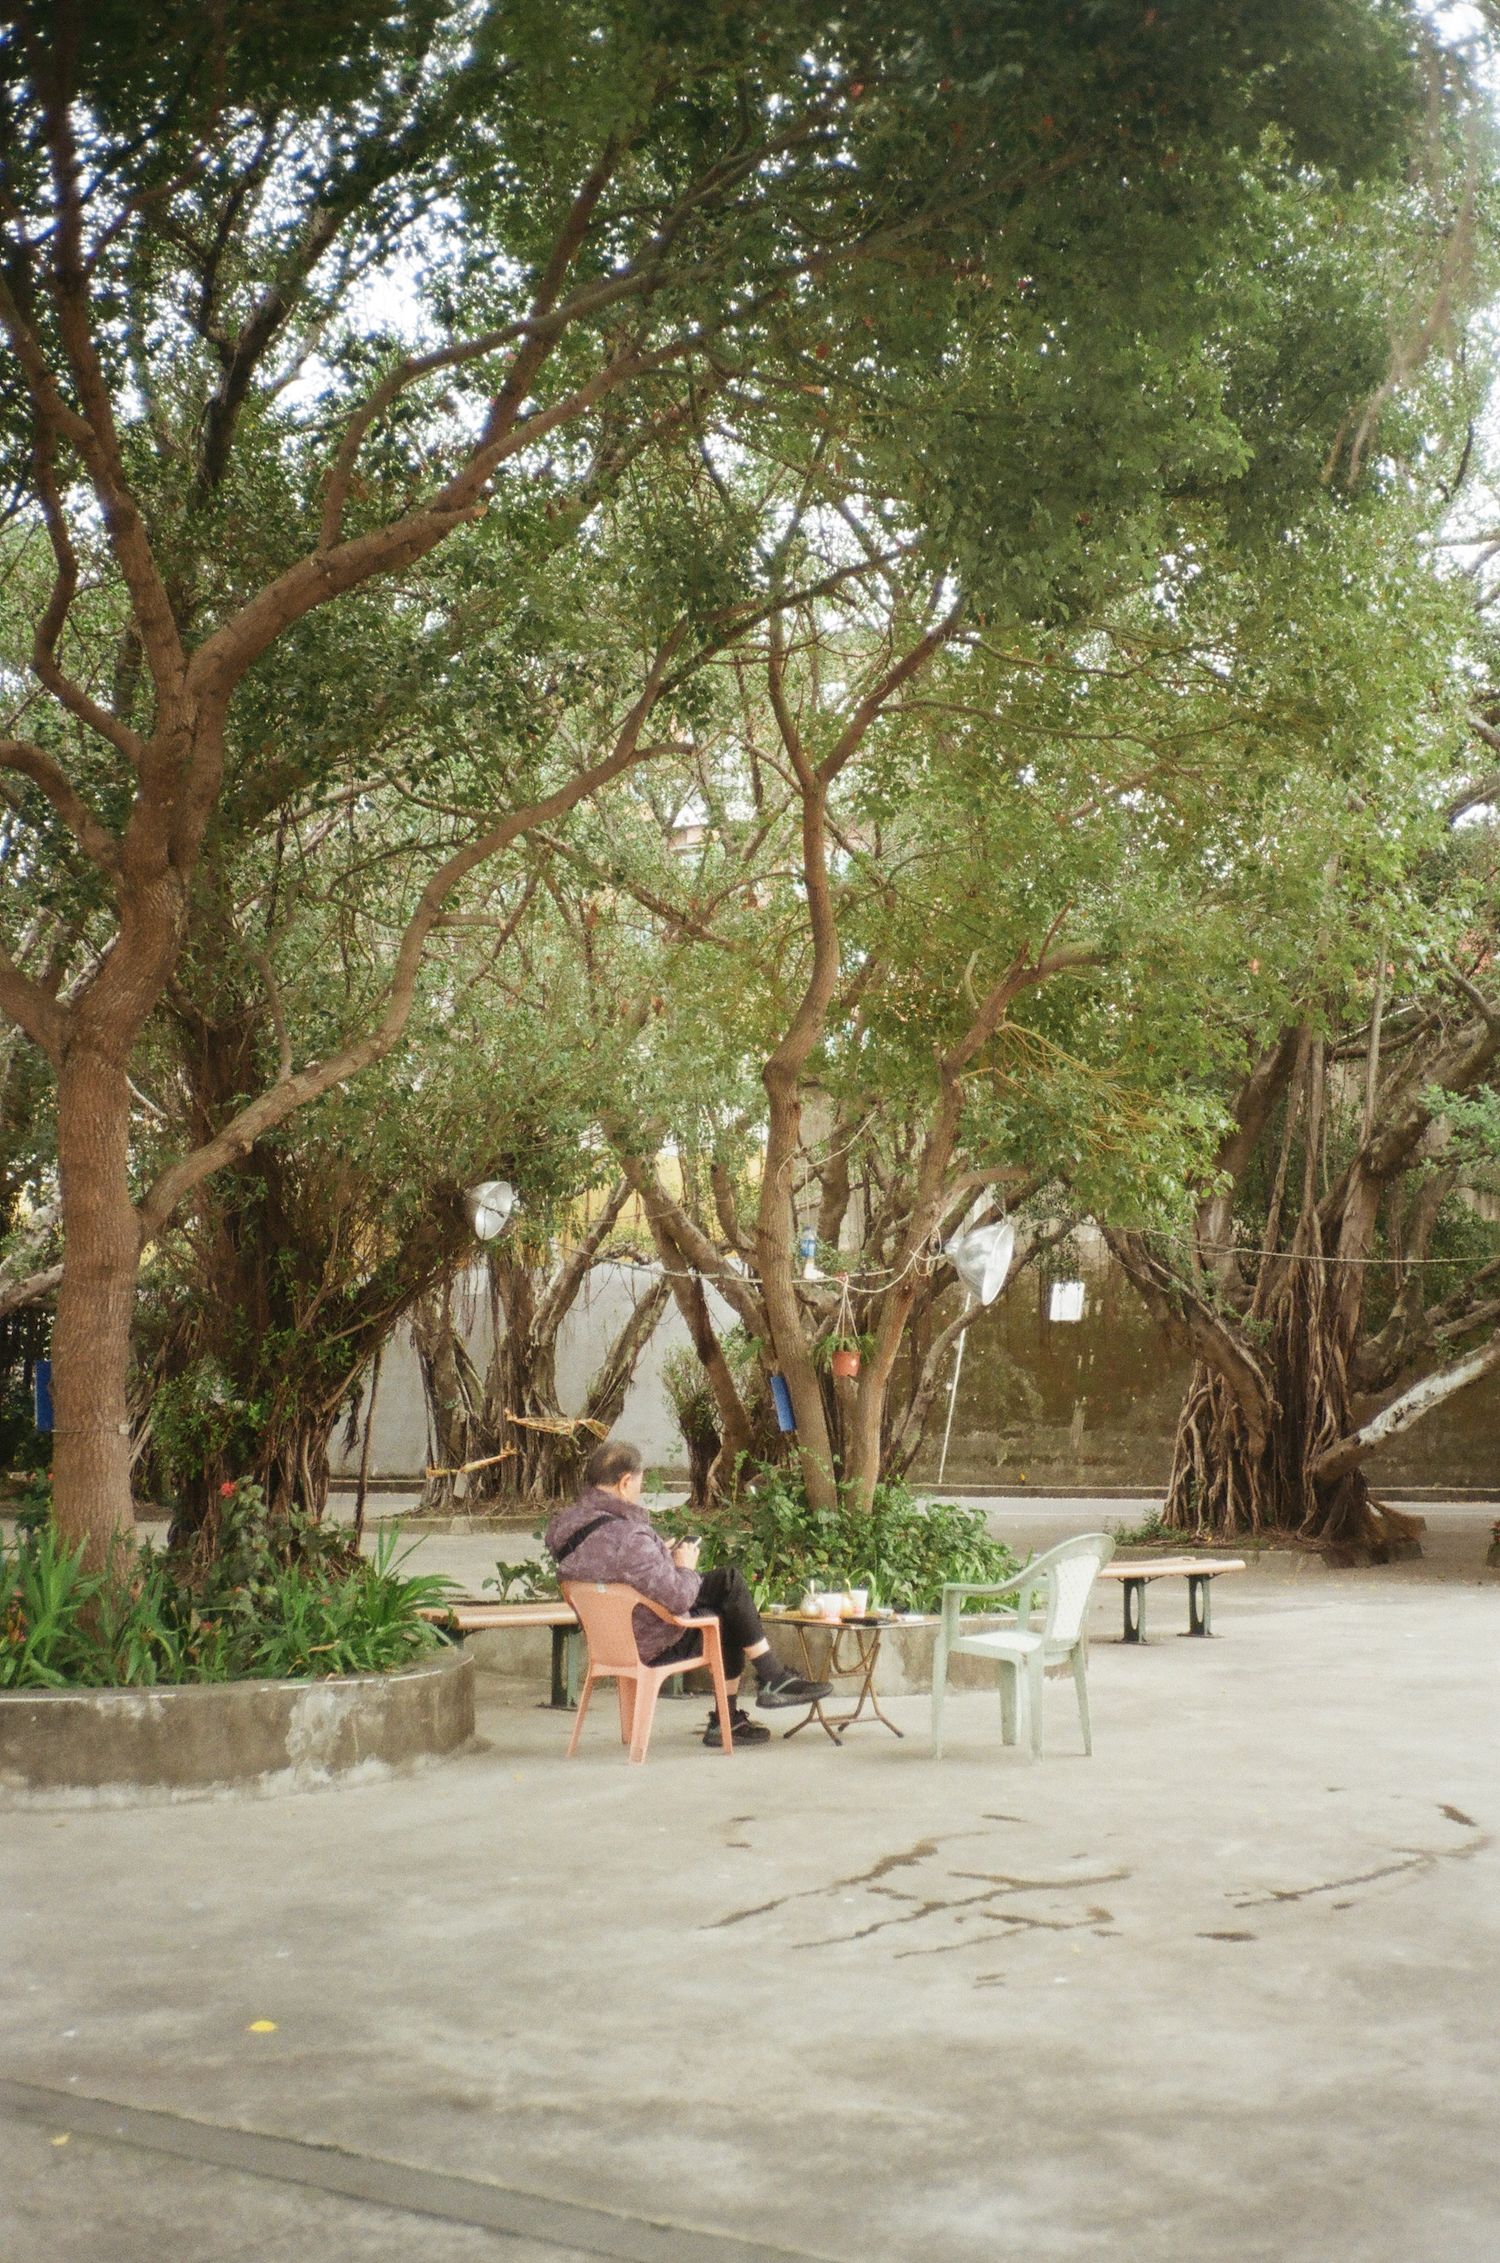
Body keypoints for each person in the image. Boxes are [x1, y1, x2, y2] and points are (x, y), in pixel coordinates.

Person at [544, 1439, 831, 1748]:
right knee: (726, 1609)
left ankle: (757, 1692)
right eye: (639, 1482)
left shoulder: (567, 1529)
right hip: (653, 1641)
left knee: (727, 1586)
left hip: (609, 1640)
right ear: (625, 1482)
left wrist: (658, 1555)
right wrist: (685, 1566)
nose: (639, 1489)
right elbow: (678, 1598)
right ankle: (755, 1692)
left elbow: (609, 1569)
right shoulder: (629, 1537)